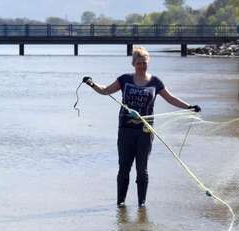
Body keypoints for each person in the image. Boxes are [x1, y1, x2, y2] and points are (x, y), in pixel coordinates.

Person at [82, 46, 201, 208]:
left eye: (144, 63)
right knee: (124, 167)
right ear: (133, 64)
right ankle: (120, 204)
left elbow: (171, 99)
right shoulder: (124, 79)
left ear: (148, 63)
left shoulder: (155, 82)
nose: (142, 66)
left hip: (145, 131)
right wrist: (92, 83)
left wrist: (189, 107)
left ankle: (141, 205)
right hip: (125, 130)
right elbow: (105, 91)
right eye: (139, 63)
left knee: (142, 169)